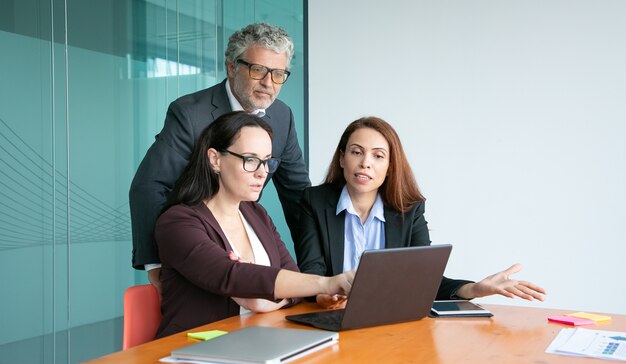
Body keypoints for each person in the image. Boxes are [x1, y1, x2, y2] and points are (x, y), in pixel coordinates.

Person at [130, 23, 310, 297]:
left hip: (247, 238)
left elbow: (298, 195)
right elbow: (150, 185)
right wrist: (157, 261)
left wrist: (312, 275)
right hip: (194, 242)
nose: (268, 83)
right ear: (231, 67)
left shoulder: (282, 117)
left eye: (278, 74)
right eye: (258, 70)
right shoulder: (190, 114)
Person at [294, 117, 546, 309]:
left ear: (391, 166)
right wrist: (324, 296)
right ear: (342, 158)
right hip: (333, 319)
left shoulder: (409, 209)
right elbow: (312, 273)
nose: (365, 163)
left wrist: (475, 289)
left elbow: (425, 280)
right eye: (356, 152)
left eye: (378, 156)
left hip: (391, 324)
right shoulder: (314, 202)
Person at [154, 112, 352, 338]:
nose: (262, 172)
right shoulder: (177, 223)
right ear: (215, 159)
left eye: (267, 161)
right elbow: (231, 277)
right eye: (250, 160)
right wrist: (323, 284)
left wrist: (262, 300)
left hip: (257, 342)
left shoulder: (257, 214)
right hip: (194, 352)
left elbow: (293, 279)